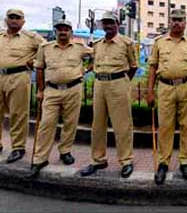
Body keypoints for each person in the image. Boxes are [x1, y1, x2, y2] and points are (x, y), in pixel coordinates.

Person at [27, 19, 93, 178]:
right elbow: (40, 69)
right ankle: (40, 158)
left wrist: (85, 70)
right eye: (60, 29)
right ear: (55, 31)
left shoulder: (79, 47)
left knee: (70, 123)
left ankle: (65, 151)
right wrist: (40, 90)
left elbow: (96, 55)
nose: (63, 32)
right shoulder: (45, 48)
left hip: (73, 89)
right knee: (46, 124)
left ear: (71, 32)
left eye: (66, 29)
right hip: (52, 91)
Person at [147, 9, 187, 185]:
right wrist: (150, 91)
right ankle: (163, 163)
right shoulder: (159, 43)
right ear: (169, 22)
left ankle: (185, 162)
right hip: (165, 87)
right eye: (174, 20)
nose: (177, 23)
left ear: (185, 23)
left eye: (180, 20)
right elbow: (152, 67)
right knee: (165, 127)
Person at [80, 11, 137, 178]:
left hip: (118, 83)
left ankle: (126, 160)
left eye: (111, 23)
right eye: (105, 23)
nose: (108, 26)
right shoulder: (97, 44)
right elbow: (92, 65)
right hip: (99, 84)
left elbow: (133, 66)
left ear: (117, 24)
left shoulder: (126, 43)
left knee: (122, 125)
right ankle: (98, 160)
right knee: (97, 125)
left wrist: (123, 82)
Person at [0, 9, 44, 163]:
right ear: (6, 20)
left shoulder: (31, 38)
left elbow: (47, 50)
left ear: (23, 21)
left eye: (17, 18)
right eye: (11, 17)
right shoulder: (0, 36)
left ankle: (18, 147)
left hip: (18, 77)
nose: (13, 20)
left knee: (18, 114)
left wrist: (35, 61)